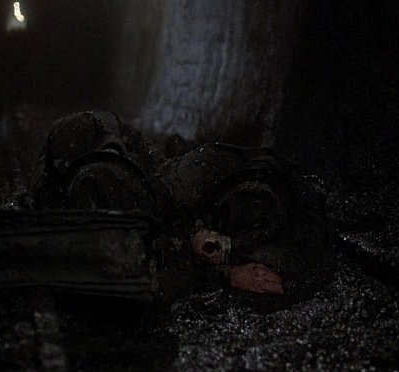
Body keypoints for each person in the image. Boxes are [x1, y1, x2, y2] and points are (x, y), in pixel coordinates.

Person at [20, 111, 334, 298]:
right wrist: (226, 274)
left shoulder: (157, 179)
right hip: (102, 175)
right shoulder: (60, 194)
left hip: (131, 166)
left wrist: (200, 238)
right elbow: (146, 269)